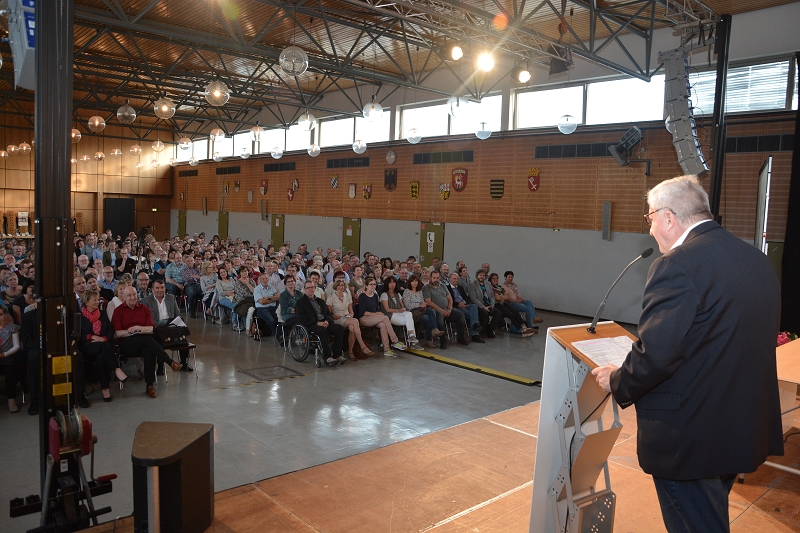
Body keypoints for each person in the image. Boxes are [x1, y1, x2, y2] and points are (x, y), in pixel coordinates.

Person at [591, 175, 783, 533]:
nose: (650, 230)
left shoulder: (676, 265)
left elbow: (657, 355)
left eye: (649, 219)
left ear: (667, 217)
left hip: (690, 436)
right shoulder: (757, 260)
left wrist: (617, 380)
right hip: (737, 428)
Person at [112, 286, 182, 398]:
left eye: (134, 295)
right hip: (126, 343)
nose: (132, 297)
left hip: (144, 341)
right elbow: (119, 333)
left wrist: (138, 328)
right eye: (129, 295)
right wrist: (133, 332)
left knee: (148, 349)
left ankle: (149, 385)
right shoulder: (118, 311)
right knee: (148, 341)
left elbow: (150, 328)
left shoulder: (144, 309)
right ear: (124, 297)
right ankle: (170, 362)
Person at [78, 290, 129, 402]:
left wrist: (104, 339)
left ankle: (105, 390)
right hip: (88, 346)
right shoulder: (79, 316)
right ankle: (116, 369)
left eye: (98, 299)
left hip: (103, 346)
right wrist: (91, 337)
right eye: (94, 300)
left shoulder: (102, 314)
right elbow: (77, 335)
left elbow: (110, 330)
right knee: (104, 347)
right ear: (86, 302)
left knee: (101, 357)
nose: (97, 302)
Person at [142, 279, 194, 371]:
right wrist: (160, 326)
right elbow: (148, 318)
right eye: (157, 288)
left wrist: (175, 322)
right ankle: (160, 365)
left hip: (171, 326)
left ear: (165, 288)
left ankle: (183, 362)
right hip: (157, 328)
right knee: (157, 336)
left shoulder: (171, 298)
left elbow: (178, 313)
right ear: (153, 289)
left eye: (162, 287)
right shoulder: (146, 301)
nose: (160, 290)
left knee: (183, 332)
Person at [295, 280, 346, 364]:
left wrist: (327, 321)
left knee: (339, 328)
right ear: (304, 289)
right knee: (322, 330)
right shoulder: (300, 302)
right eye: (308, 288)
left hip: (324, 322)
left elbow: (328, 314)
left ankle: (337, 354)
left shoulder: (320, 301)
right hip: (311, 325)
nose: (310, 289)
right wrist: (317, 323)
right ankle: (327, 356)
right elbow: (301, 318)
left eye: (312, 287)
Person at [357, 277, 406, 356]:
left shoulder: (375, 296)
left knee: (383, 325)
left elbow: (376, 309)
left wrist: (377, 314)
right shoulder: (362, 296)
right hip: (364, 318)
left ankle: (387, 349)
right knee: (385, 317)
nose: (373, 286)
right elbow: (363, 312)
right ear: (366, 286)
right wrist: (377, 314)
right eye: (371, 284)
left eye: (374, 284)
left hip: (374, 317)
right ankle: (395, 340)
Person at [327, 279, 373, 360]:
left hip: (347, 318)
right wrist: (342, 317)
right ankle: (362, 346)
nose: (341, 287)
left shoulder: (347, 296)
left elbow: (351, 311)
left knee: (352, 327)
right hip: (337, 319)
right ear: (336, 287)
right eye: (339, 285)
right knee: (355, 321)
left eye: (342, 285)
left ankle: (350, 352)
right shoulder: (331, 297)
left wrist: (351, 315)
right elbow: (329, 315)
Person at [422, 270, 468, 348]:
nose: (436, 279)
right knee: (440, 318)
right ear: (430, 278)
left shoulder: (443, 286)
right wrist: (442, 311)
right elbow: (428, 302)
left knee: (460, 315)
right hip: (435, 311)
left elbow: (450, 298)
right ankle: (443, 341)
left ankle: (461, 338)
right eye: (434, 278)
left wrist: (449, 309)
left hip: (447, 309)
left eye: (437, 278)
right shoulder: (426, 288)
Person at [488, 272, 537, 337]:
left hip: (504, 303)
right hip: (497, 305)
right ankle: (521, 330)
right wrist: (503, 297)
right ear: (490, 280)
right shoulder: (491, 288)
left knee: (516, 312)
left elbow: (507, 297)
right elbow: (498, 298)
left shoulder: (499, 287)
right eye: (493, 279)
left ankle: (524, 327)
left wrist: (502, 297)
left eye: (496, 278)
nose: (495, 280)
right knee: (512, 315)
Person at [402, 274, 442, 348]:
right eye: (413, 281)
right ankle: (429, 339)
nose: (415, 283)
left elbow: (422, 301)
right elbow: (407, 305)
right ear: (410, 282)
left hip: (422, 310)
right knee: (429, 319)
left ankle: (435, 330)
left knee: (432, 311)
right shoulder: (406, 291)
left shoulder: (420, 291)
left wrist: (423, 304)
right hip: (413, 312)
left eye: (416, 281)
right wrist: (419, 305)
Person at [380, 276, 420, 348]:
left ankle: (412, 336)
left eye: (394, 282)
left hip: (400, 314)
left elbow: (402, 306)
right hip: (390, 315)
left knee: (409, 314)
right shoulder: (384, 295)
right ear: (387, 284)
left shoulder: (397, 294)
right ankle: (413, 341)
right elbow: (387, 310)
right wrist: (399, 310)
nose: (392, 284)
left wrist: (403, 309)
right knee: (410, 321)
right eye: (390, 283)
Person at [447, 272, 483, 343]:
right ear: (450, 279)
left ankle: (475, 326)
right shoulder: (447, 288)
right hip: (456, 307)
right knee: (472, 315)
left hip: (464, 305)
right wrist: (458, 304)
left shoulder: (460, 287)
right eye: (454, 279)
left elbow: (467, 297)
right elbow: (448, 300)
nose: (456, 280)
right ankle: (475, 333)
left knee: (474, 306)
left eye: (457, 279)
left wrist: (464, 302)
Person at [467, 269, 503, 338]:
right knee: (484, 313)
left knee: (498, 313)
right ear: (477, 276)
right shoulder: (472, 285)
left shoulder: (488, 284)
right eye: (480, 275)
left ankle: (490, 330)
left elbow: (492, 296)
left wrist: (492, 305)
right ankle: (483, 331)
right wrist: (483, 307)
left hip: (489, 304)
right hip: (479, 305)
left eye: (483, 275)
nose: (482, 277)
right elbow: (474, 299)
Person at [0, 306, 23, 412]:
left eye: (0, 314)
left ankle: (11, 399)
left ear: (4, 315)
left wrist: (4, 354)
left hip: (8, 357)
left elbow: (17, 346)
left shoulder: (11, 327)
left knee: (10, 371)